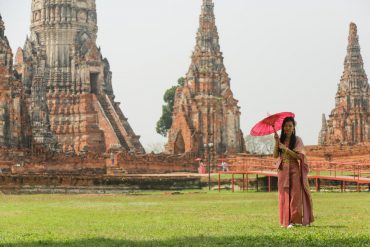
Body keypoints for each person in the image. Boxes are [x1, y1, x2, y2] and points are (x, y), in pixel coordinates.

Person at [273, 117, 314, 228]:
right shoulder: (280, 140)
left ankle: (293, 220)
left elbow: (299, 156)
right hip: (282, 170)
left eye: (290, 126)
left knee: (295, 195)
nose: (287, 128)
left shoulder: (297, 140)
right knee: (283, 195)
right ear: (283, 127)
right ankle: (285, 221)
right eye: (285, 126)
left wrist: (286, 149)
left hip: (294, 169)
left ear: (293, 127)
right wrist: (276, 143)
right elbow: (275, 155)